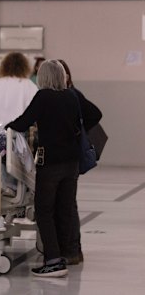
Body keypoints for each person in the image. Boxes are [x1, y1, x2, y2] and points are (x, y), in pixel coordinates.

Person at [5, 60, 97, 278]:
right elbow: (89, 117)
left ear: (44, 77)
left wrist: (0, 131)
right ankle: (68, 253)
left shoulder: (43, 97)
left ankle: (53, 260)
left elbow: (22, 122)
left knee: (44, 210)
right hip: (71, 163)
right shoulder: (72, 97)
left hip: (51, 162)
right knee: (66, 207)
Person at [58, 59, 102, 265]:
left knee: (68, 203)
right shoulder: (65, 95)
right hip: (68, 156)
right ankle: (71, 248)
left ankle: (72, 249)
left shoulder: (72, 95)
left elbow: (95, 114)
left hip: (70, 157)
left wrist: (79, 131)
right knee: (67, 202)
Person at [0, 52, 38, 126]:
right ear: (25, 67)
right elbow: (35, 113)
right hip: (20, 132)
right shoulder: (30, 86)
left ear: (4, 66)